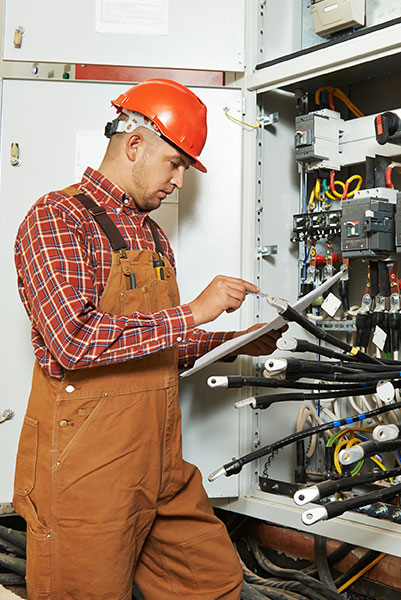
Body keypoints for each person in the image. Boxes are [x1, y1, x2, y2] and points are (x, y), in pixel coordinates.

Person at [13, 78, 281, 600]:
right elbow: (74, 340)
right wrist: (194, 312)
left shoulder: (152, 235)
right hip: (87, 477)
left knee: (214, 585)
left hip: (160, 467)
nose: (179, 182)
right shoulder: (57, 218)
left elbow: (152, 345)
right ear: (135, 144)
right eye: (175, 163)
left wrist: (235, 341)